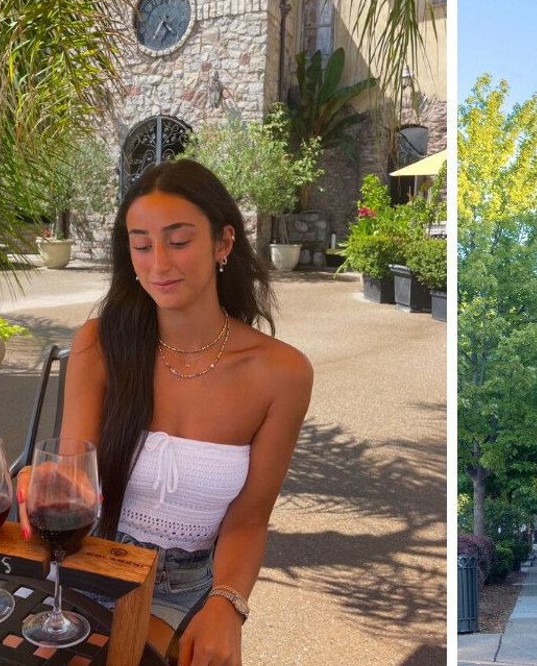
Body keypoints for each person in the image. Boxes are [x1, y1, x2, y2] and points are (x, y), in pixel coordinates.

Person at [16, 159, 314, 666]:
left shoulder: (281, 373)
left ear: (223, 244)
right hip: (85, 558)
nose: (159, 264)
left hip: (182, 587)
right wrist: (45, 480)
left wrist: (228, 604)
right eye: (141, 244)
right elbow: (75, 472)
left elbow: (248, 518)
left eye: (178, 242)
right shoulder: (100, 344)